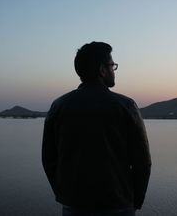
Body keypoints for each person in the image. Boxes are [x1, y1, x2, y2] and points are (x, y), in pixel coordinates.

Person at [42, 42, 151, 216]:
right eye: (112, 66)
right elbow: (142, 162)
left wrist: (64, 193)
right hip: (118, 204)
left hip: (73, 204)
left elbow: (49, 159)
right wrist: (136, 199)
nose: (114, 70)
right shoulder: (126, 106)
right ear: (102, 70)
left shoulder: (59, 106)